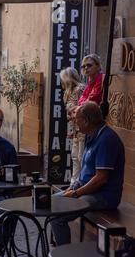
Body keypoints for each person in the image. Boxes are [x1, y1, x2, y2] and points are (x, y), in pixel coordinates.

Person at [51, 102, 125, 246]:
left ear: (86, 121)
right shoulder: (91, 135)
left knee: (58, 216)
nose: (74, 122)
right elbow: (86, 170)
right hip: (86, 191)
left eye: (76, 119)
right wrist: (73, 187)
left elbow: (101, 179)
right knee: (52, 201)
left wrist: (75, 193)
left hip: (104, 197)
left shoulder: (107, 139)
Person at [60, 67, 85, 186]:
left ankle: (81, 184)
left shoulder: (80, 89)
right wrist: (71, 129)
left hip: (83, 129)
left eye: (63, 79)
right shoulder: (68, 92)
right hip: (75, 129)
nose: (62, 82)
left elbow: (81, 110)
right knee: (75, 157)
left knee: (81, 157)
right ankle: (73, 183)